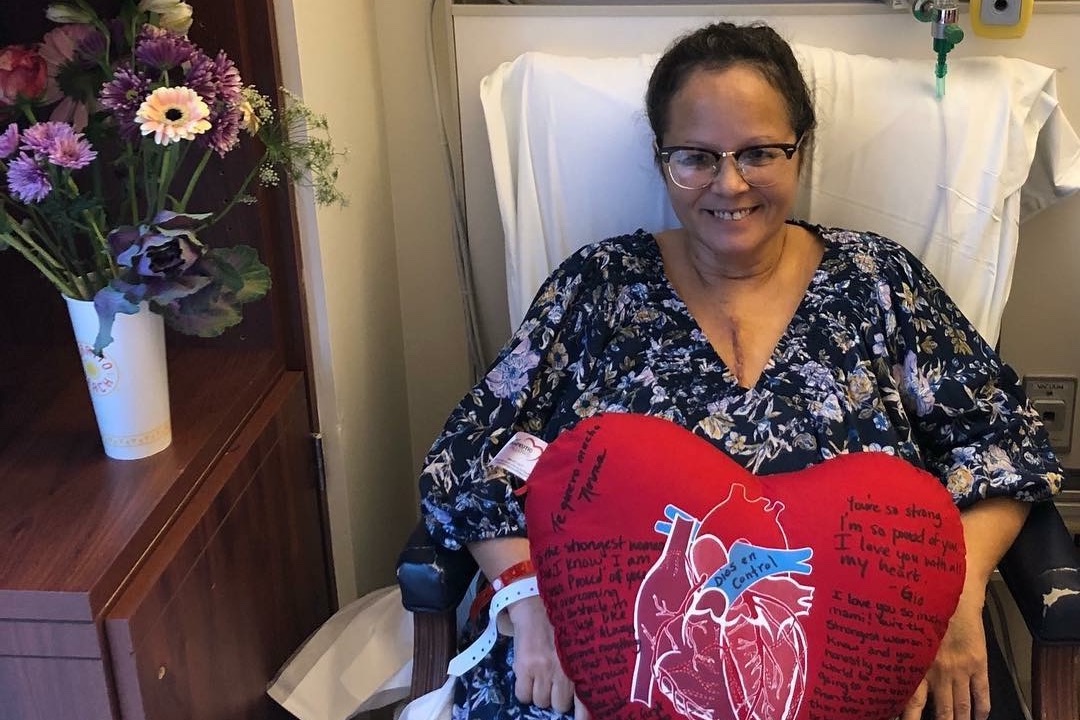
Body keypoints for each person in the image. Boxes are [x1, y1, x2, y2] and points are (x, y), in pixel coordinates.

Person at [418, 21, 1062, 720]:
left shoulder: (878, 283)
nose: (729, 184)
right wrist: (527, 597)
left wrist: (953, 599)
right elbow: (471, 456)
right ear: (662, 159)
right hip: (596, 677)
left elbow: (1003, 442)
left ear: (801, 150)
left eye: (759, 152)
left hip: (863, 676)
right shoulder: (597, 288)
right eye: (695, 157)